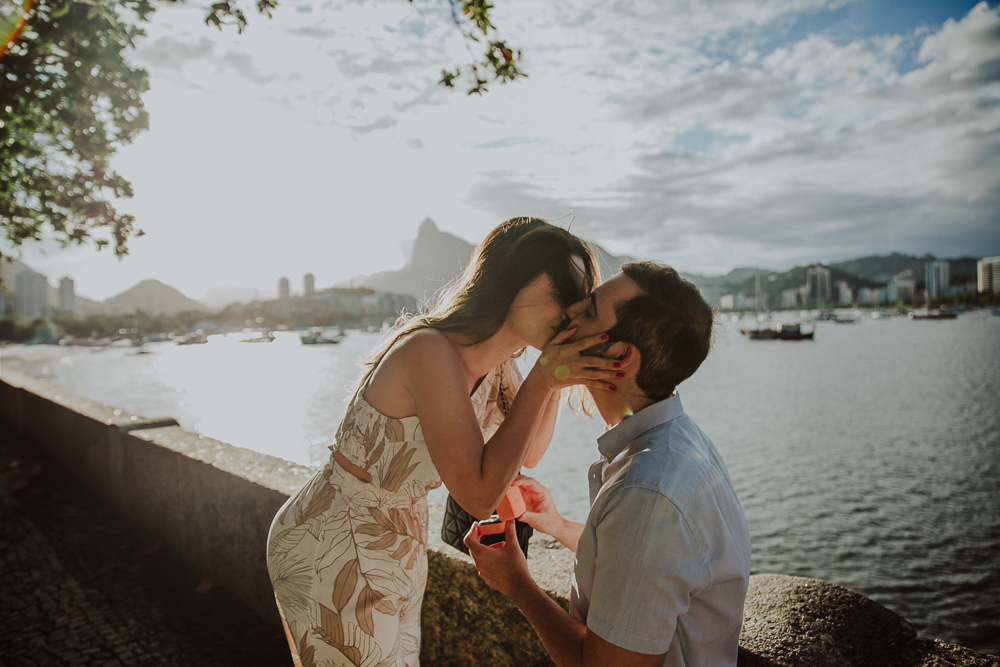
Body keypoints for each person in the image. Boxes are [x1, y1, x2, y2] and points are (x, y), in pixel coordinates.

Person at [266, 218, 623, 667]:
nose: (570, 310)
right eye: (560, 293)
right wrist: (543, 376)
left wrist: (548, 379)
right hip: (337, 536)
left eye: (579, 298)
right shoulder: (431, 351)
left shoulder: (499, 364)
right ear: (507, 282)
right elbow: (476, 495)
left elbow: (529, 451)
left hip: (398, 536)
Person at [465, 261, 752, 667]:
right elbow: (644, 566)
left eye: (590, 310)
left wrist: (518, 584)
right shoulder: (681, 440)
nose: (572, 311)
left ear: (620, 355)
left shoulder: (646, 493)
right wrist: (559, 526)